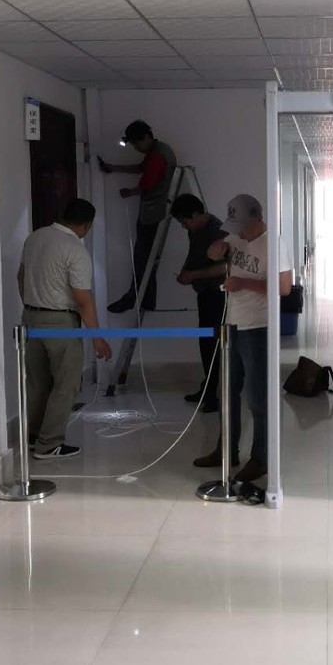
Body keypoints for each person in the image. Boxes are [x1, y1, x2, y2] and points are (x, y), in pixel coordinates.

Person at [193, 194, 293, 484]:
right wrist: (219, 247)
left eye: (243, 226)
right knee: (228, 391)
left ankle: (260, 459)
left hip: (258, 327)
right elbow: (213, 254)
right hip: (232, 324)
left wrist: (243, 283)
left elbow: (284, 288)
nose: (239, 232)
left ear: (257, 218)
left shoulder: (274, 243)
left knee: (258, 398)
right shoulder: (235, 238)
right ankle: (226, 450)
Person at [17, 198, 111, 460]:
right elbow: (83, 300)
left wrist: (32, 305)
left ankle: (34, 437)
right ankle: (49, 444)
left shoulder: (35, 238)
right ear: (86, 225)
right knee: (66, 384)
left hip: (30, 318)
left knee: (37, 382)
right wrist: (97, 338)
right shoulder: (75, 249)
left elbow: (20, 276)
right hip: (61, 323)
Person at [98, 120, 177, 313]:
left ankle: (134, 297)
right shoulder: (158, 151)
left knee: (143, 258)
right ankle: (146, 300)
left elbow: (147, 184)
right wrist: (113, 167)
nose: (135, 148)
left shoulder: (157, 155)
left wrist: (130, 192)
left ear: (146, 137)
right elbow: (141, 168)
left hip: (152, 214)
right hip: (155, 212)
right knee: (147, 258)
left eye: (136, 143)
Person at [171, 193, 227, 413]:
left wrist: (193, 275)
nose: (184, 226)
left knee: (214, 345)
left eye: (185, 221)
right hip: (205, 294)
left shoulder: (217, 231)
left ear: (196, 214)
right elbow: (194, 254)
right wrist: (186, 272)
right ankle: (208, 389)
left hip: (218, 295)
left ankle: (214, 395)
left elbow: (225, 267)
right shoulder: (196, 231)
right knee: (206, 344)